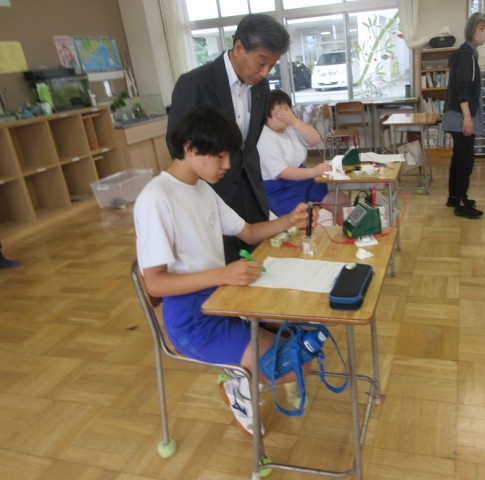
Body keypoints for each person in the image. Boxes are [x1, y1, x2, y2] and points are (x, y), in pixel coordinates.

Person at [137, 106, 315, 437]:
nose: (228, 164)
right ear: (190, 148)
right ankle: (239, 386)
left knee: (304, 330)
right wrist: (222, 275)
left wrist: (288, 220)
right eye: (220, 155)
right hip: (193, 322)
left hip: (225, 300)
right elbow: (155, 283)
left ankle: (242, 375)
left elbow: (249, 232)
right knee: (297, 365)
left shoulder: (201, 187)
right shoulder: (156, 198)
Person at [166, 14, 290, 262]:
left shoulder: (261, 88)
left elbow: (249, 143)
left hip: (252, 192)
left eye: (272, 65)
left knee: (261, 262)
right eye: (261, 62)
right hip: (213, 192)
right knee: (224, 267)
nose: (265, 73)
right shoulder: (195, 84)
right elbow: (177, 144)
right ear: (239, 47)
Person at [257, 90, 349, 223]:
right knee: (305, 220)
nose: (285, 114)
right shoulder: (264, 137)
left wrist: (295, 121)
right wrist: (313, 171)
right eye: (279, 110)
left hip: (303, 179)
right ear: (266, 114)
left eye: (287, 109)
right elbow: (282, 172)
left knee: (342, 201)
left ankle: (344, 232)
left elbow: (315, 140)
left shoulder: (290, 127)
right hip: (279, 188)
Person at [442, 12, 485, 219]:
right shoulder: (466, 56)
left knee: (459, 157)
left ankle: (454, 197)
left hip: (457, 114)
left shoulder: (466, 54)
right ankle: (461, 203)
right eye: (481, 28)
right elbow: (463, 87)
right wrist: (468, 117)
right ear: (471, 30)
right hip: (461, 115)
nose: (484, 33)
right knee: (466, 160)